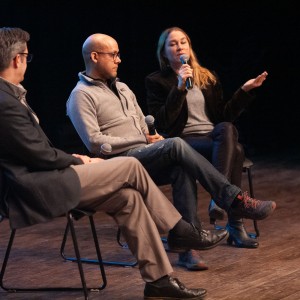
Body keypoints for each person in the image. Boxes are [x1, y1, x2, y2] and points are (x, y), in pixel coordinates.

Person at [0, 27, 237, 300]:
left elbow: (36, 151)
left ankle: (159, 279)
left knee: (128, 198)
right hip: (34, 188)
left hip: (52, 176)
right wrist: (77, 159)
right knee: (134, 165)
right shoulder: (6, 101)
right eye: (27, 58)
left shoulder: (13, 96)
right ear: (17, 59)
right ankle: (181, 230)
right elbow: (38, 155)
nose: (27, 64)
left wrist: (146, 138)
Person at [66, 33, 276, 271]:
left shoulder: (123, 88)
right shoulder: (80, 95)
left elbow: (143, 123)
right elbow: (95, 143)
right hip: (117, 165)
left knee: (181, 167)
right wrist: (143, 138)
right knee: (176, 144)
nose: (119, 60)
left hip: (144, 156)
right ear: (94, 56)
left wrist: (151, 136)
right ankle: (233, 199)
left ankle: (187, 246)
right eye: (113, 54)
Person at [145, 26, 269, 250]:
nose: (179, 47)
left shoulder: (207, 77)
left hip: (213, 138)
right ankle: (233, 222)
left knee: (227, 129)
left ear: (189, 48)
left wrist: (244, 91)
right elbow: (164, 123)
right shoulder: (156, 81)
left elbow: (224, 116)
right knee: (237, 150)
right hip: (183, 142)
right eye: (172, 44)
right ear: (164, 52)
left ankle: (221, 200)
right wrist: (180, 88)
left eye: (183, 42)